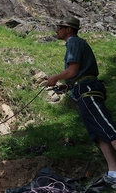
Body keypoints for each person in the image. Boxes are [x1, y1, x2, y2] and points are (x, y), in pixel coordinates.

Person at [46, 16, 116, 188]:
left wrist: (55, 78)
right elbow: (76, 74)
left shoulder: (74, 43)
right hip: (82, 91)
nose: (57, 30)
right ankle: (113, 173)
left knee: (108, 128)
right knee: (99, 134)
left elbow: (73, 70)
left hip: (88, 91)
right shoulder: (74, 43)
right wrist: (67, 86)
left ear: (68, 29)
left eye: (59, 27)